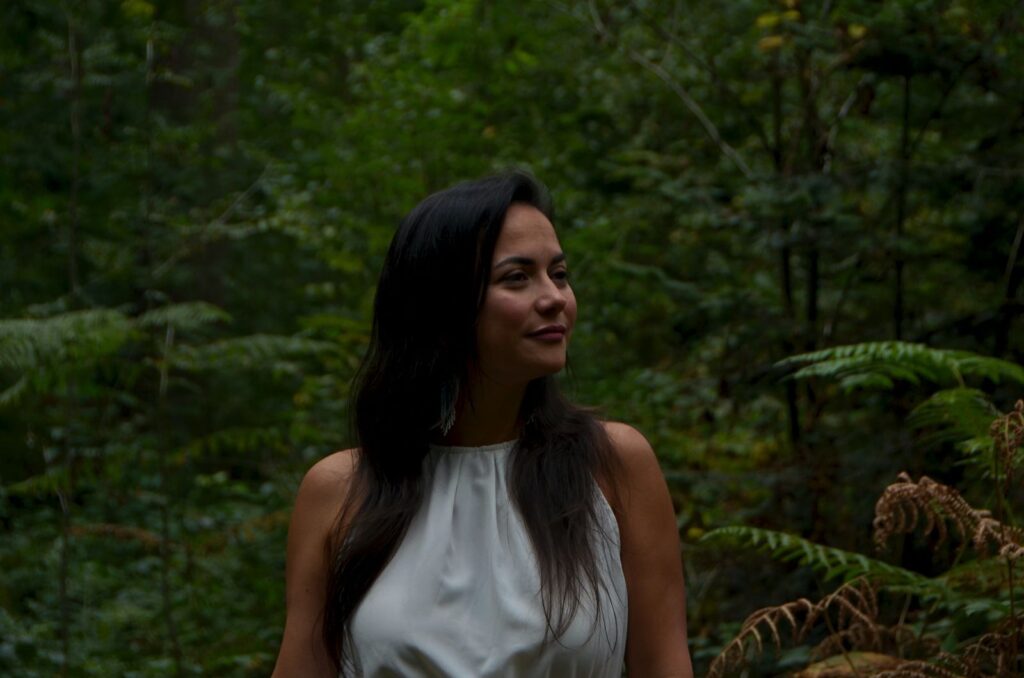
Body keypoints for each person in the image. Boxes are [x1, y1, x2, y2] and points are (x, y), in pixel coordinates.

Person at [272, 171, 693, 677]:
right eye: (517, 277)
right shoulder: (341, 492)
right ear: (442, 303)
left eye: (559, 274)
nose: (555, 297)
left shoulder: (612, 466)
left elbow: (664, 664)